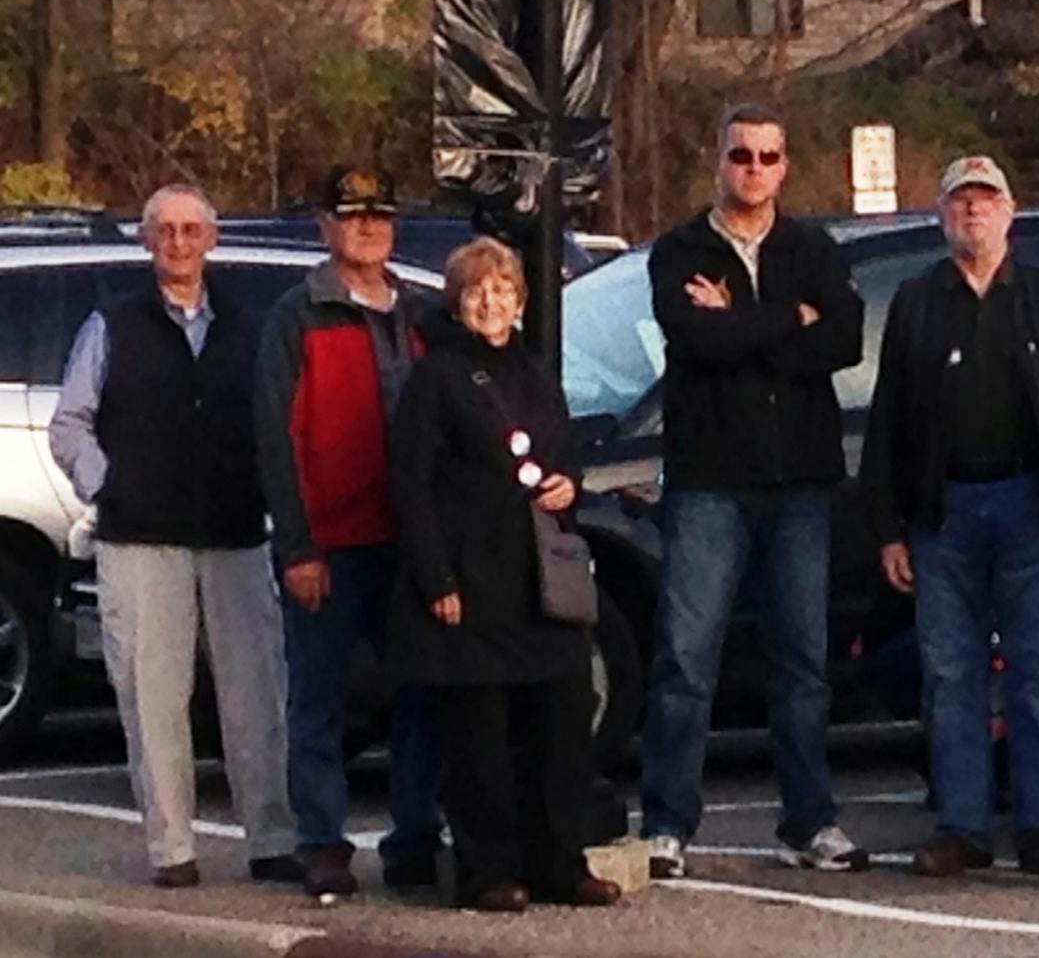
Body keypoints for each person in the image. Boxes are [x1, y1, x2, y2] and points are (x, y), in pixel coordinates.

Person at [862, 155, 1039, 879]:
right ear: (942, 215)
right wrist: (888, 527)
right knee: (951, 675)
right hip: (944, 513)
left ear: (1011, 213)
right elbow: (888, 422)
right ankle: (963, 826)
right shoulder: (915, 302)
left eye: (986, 200)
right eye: (960, 201)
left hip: (1034, 507)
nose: (973, 212)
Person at [639, 105, 868, 878]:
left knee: (803, 661)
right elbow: (695, 339)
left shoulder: (813, 247)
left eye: (770, 157)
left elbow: (841, 339)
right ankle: (667, 824)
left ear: (786, 166)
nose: (755, 169)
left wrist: (745, 320)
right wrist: (786, 321)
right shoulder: (679, 250)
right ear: (718, 160)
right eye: (742, 155)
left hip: (801, 484)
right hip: (708, 483)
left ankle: (810, 823)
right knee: (685, 657)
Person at [49, 185, 298, 889]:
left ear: (212, 238)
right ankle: (172, 850)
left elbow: (277, 422)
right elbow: (70, 424)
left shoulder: (251, 328)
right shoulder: (113, 325)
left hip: (236, 535)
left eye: (192, 230)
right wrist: (110, 485)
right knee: (152, 697)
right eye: (166, 231)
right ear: (147, 240)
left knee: (257, 694)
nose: (180, 243)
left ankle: (272, 838)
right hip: (140, 540)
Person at [387, 240, 620, 912]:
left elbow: (564, 449)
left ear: (521, 300)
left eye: (503, 290)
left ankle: (560, 863)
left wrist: (567, 485)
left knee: (562, 726)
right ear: (457, 304)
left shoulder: (536, 370)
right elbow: (412, 483)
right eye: (477, 291)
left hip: (540, 581)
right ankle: (488, 872)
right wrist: (436, 580)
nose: (492, 303)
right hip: (472, 580)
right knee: (480, 741)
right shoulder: (437, 379)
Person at [255, 166, 443, 899]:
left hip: (412, 545)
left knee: (421, 698)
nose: (368, 228)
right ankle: (323, 844)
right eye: (352, 216)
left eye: (380, 216)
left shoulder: (423, 315)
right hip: (330, 544)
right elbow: (277, 439)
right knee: (320, 702)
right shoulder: (296, 316)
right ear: (323, 226)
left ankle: (414, 840)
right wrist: (297, 547)